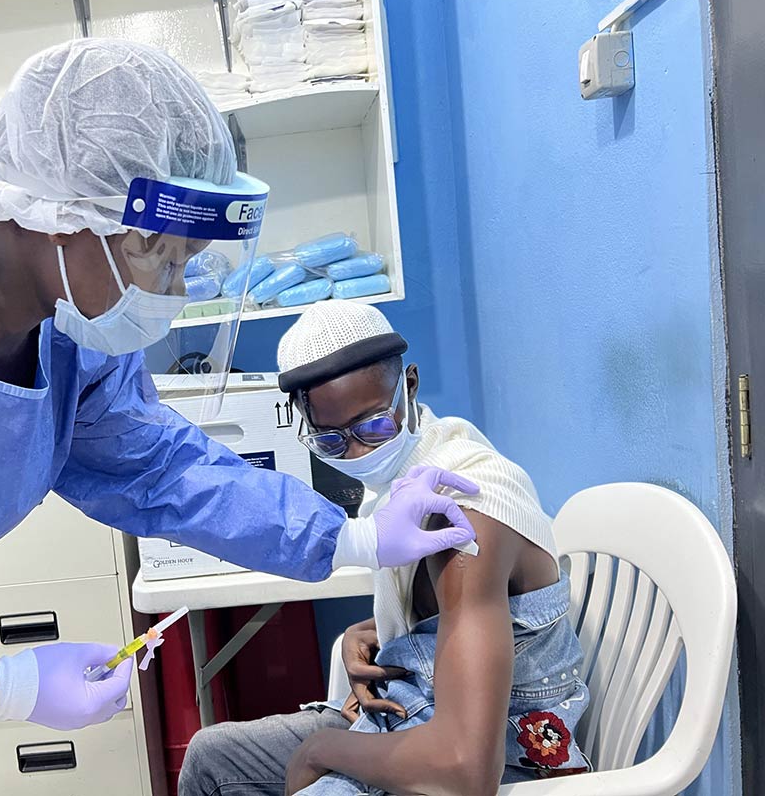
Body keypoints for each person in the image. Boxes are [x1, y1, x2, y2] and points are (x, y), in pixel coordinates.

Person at [0, 41, 477, 796]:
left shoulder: (63, 312)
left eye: (185, 263)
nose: (169, 291)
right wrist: (8, 686)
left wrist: (348, 535)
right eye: (156, 253)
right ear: (56, 213)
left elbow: (155, 464)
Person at [179, 300, 592, 796]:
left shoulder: (463, 515)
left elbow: (465, 770)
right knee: (209, 756)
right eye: (332, 443)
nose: (358, 453)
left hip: (498, 759)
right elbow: (468, 615)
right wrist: (379, 630)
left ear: (410, 386)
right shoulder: (403, 481)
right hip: (413, 709)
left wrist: (320, 750)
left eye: (374, 427)